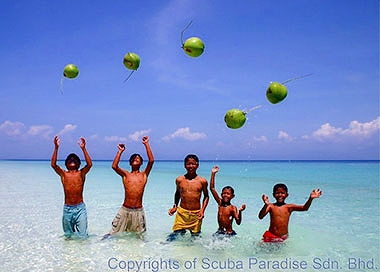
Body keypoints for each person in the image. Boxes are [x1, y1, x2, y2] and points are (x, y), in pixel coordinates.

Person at [106, 136, 154, 237]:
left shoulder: (144, 174)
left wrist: (146, 144)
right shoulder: (126, 175)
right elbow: (114, 166)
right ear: (130, 163)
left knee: (139, 237)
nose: (136, 159)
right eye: (134, 158)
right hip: (125, 209)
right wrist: (120, 151)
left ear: (141, 163)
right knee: (112, 234)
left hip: (138, 211)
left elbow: (151, 161)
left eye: (138, 158)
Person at [51, 135, 92, 239]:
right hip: (67, 209)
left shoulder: (81, 173)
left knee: (83, 236)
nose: (72, 160)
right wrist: (56, 148)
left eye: (74, 159)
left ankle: (82, 254)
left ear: (78, 163)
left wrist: (83, 149)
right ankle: (69, 255)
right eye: (70, 159)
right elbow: (53, 165)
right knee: (68, 237)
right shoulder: (64, 174)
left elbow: (89, 164)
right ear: (66, 163)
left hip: (80, 209)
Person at [167, 154, 209, 240]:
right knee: (175, 235)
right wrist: (174, 206)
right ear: (184, 165)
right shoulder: (179, 180)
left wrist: (202, 211)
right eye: (188, 164)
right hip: (182, 213)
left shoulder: (202, 181)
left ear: (197, 165)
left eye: (193, 164)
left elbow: (206, 196)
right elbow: (177, 193)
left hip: (196, 214)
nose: (191, 166)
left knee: (195, 238)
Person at [210, 166, 246, 236]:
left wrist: (240, 212)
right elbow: (212, 188)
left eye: (228, 194)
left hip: (229, 233)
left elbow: (238, 222)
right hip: (220, 232)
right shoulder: (220, 203)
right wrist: (213, 174)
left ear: (232, 196)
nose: (225, 195)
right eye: (224, 193)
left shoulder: (232, 208)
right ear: (221, 194)